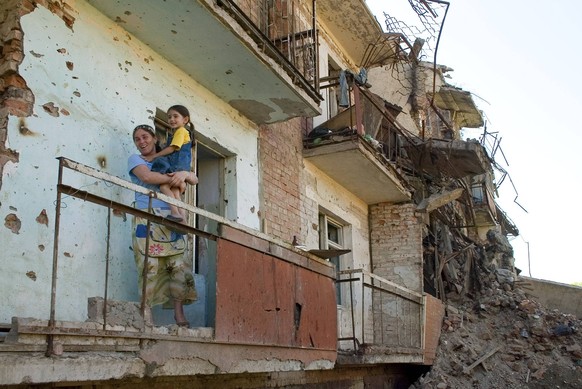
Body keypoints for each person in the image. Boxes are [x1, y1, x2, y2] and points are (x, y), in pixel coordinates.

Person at [128, 124, 198, 328]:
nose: (142, 142)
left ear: (154, 138)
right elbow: (147, 177)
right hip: (147, 216)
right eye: (137, 139)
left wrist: (184, 174)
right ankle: (146, 315)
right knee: (148, 267)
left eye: (145, 137)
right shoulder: (136, 159)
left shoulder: (168, 158)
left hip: (172, 218)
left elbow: (194, 178)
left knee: (177, 268)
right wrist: (175, 177)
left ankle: (179, 315)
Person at [141, 105, 196, 222]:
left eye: (175, 116)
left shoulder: (181, 131)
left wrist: (154, 156)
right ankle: (183, 219)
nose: (171, 119)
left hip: (177, 165)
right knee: (175, 191)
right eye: (169, 117)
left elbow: (172, 149)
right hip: (180, 167)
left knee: (164, 186)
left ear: (185, 120)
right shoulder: (180, 133)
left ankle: (175, 213)